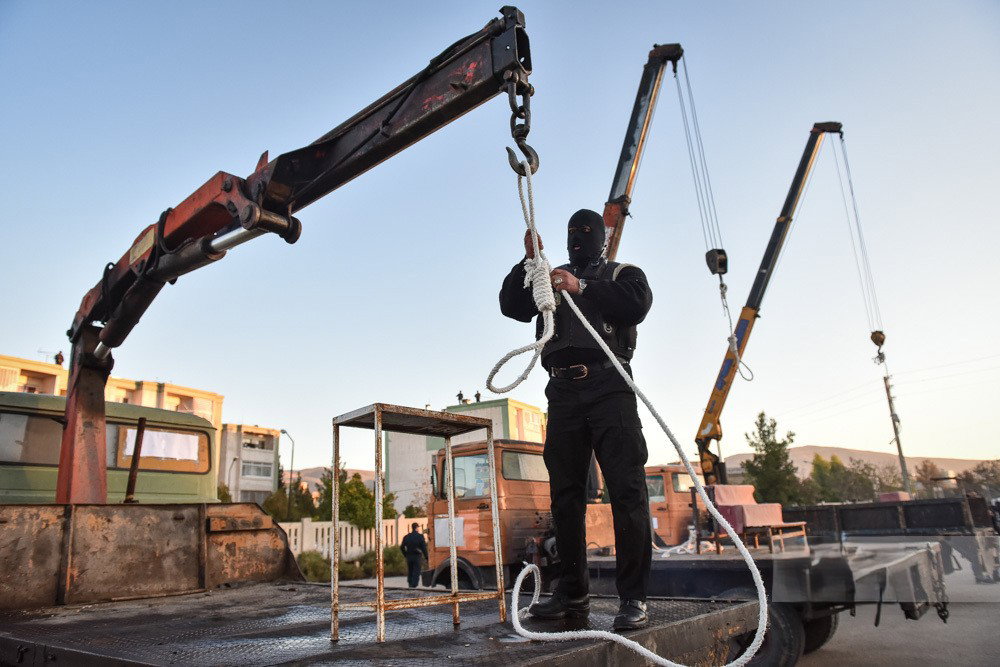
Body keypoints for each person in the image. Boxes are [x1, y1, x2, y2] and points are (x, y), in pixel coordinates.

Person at [499, 208, 654, 631]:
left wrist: (582, 286)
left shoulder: (624, 273)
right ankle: (571, 596)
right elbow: (511, 306)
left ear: (601, 237)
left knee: (627, 491)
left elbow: (636, 305)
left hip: (610, 387)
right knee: (565, 497)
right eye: (571, 232)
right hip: (563, 392)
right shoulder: (551, 275)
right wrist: (528, 261)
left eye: (585, 232)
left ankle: (634, 599)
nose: (577, 238)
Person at [400, 522, 429, 588]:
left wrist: (405, 554)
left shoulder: (406, 537)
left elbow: (401, 547)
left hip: (409, 556)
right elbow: (424, 548)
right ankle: (414, 585)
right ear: (417, 528)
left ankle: (410, 584)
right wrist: (427, 557)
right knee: (416, 571)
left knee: (410, 570)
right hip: (417, 556)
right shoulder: (420, 536)